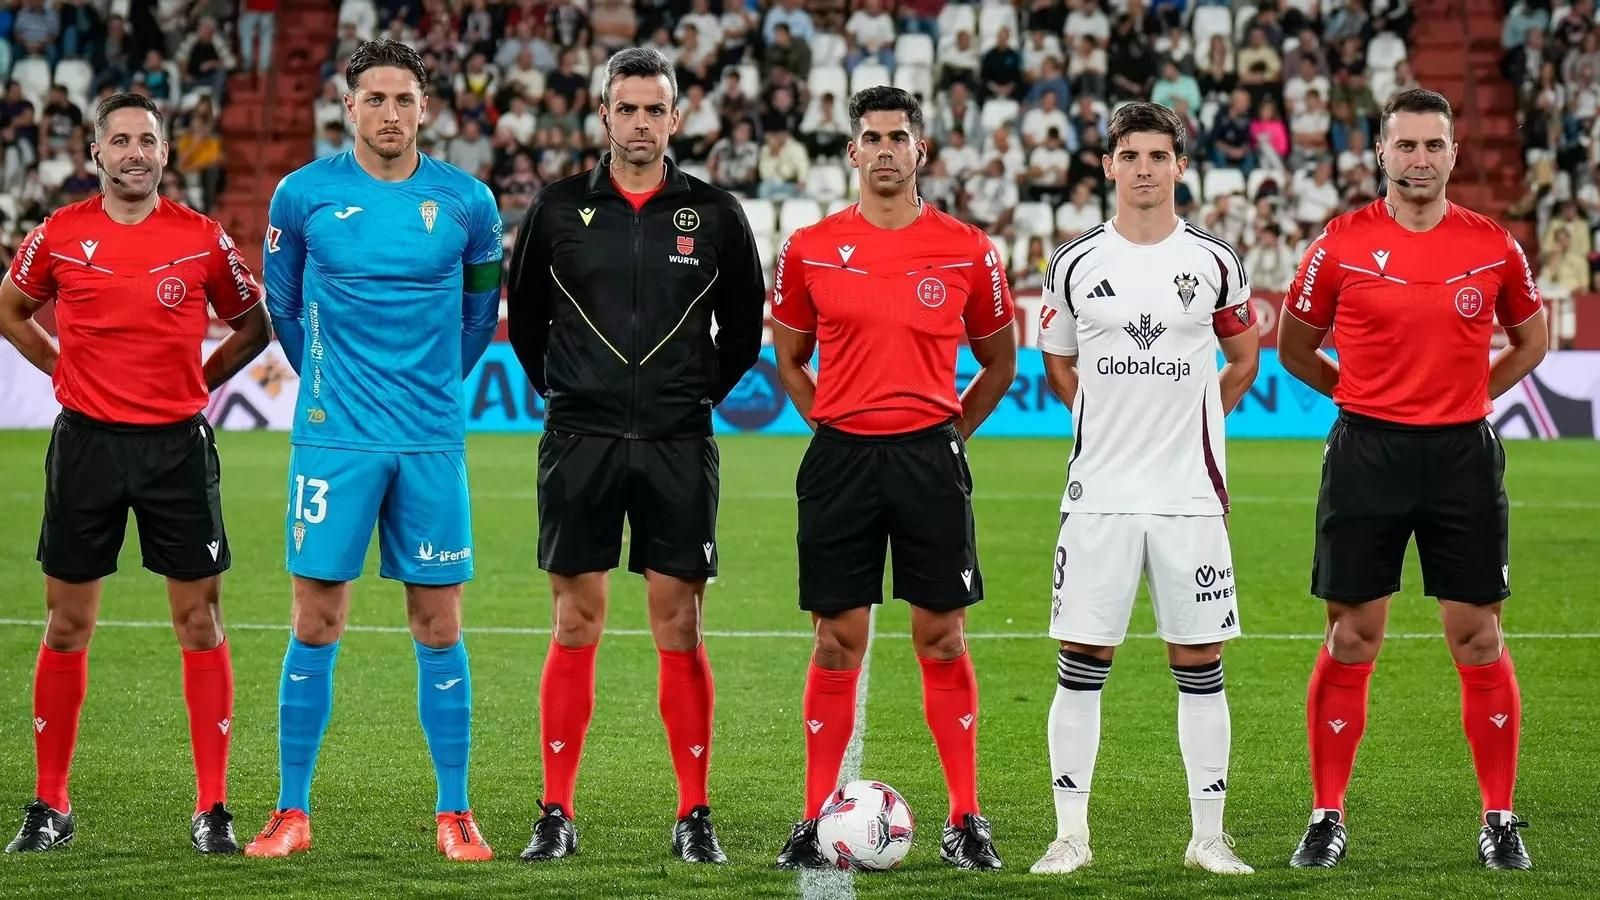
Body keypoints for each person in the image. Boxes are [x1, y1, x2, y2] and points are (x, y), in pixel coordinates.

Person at [244, 38, 503, 862]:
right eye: (375, 99)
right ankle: (291, 810)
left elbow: (476, 319)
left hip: (429, 438)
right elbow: (282, 310)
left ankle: (455, 811)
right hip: (335, 437)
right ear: (347, 106)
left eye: (404, 99)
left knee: (438, 621)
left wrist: (428, 388)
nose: (390, 113)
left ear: (426, 107)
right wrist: (333, 384)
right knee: (316, 618)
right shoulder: (303, 194)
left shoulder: (468, 202)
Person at [504, 46, 765, 865]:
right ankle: (555, 812)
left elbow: (745, 333)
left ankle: (694, 815)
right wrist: (575, 396)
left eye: (656, 109)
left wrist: (685, 400)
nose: (642, 123)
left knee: (680, 625)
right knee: (574, 620)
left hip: (677, 445)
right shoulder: (554, 211)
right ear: (604, 115)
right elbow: (528, 326)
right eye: (628, 109)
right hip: (578, 443)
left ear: (677, 118)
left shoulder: (716, 214)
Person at [1278, 89, 1548, 870]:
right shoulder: (1340, 243)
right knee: (1352, 634)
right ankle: (1327, 814)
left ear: (1454, 154)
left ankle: (1498, 817)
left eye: (1434, 146)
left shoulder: (1494, 245)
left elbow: (1531, 340)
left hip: (1461, 456)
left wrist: (1471, 394)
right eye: (1407, 146)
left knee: (1478, 635)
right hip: (1367, 454)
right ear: (1382, 153)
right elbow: (1297, 348)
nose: (1420, 160)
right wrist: (1360, 397)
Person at [0, 92, 270, 854]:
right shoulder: (58, 234)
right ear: (96, 153)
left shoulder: (201, 239)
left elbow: (256, 325)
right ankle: (50, 804)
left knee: (198, 622)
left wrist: (200, 382)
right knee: (66, 624)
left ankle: (212, 808)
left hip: (175, 448)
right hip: (86, 445)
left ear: (164, 152)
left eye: (146, 141)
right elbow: (12, 308)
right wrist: (60, 372)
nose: (133, 154)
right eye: (118, 141)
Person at [769, 85, 1018, 872]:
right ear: (851, 152)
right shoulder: (809, 246)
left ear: (921, 151)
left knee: (940, 635)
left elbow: (1000, 362)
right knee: (837, 640)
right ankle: (813, 817)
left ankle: (966, 818)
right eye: (870, 137)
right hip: (841, 459)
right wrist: (832, 422)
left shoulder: (968, 248)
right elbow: (789, 356)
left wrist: (947, 435)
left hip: (927, 459)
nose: (884, 149)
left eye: (897, 137)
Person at [1030, 101, 1260, 877]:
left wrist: (1202, 421)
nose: (1144, 169)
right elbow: (1059, 362)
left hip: (1189, 495)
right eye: (1130, 155)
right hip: (1098, 495)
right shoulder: (1072, 262)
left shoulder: (1216, 261)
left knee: (1199, 658)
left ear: (1180, 166)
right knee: (1082, 655)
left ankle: (1208, 837)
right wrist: (1101, 415)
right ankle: (1070, 834)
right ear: (1108, 166)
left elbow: (1244, 356)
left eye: (1158, 156)